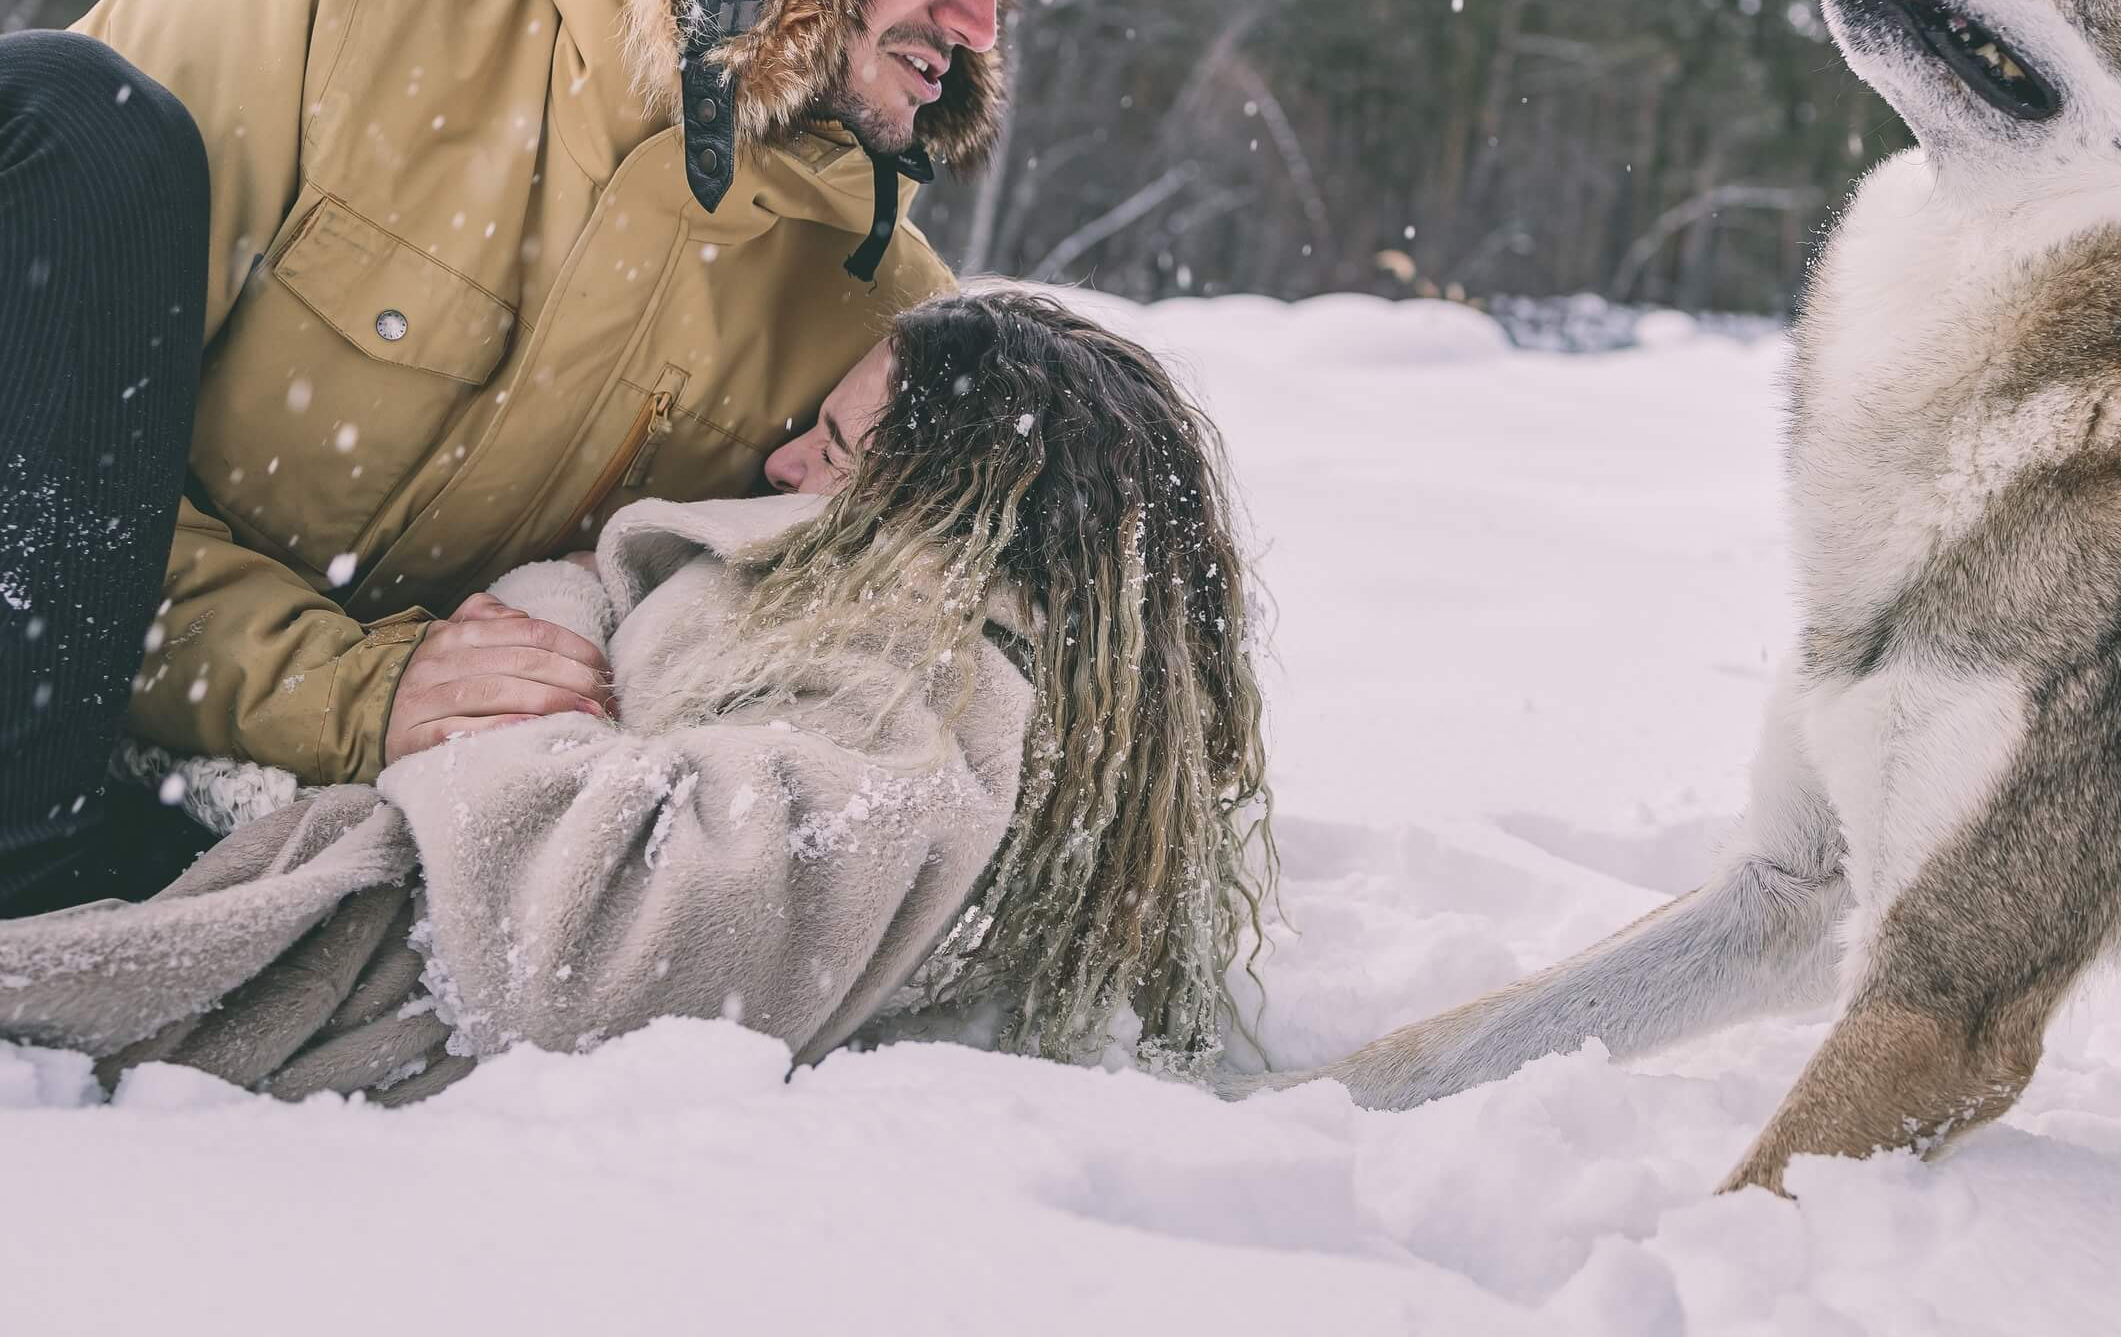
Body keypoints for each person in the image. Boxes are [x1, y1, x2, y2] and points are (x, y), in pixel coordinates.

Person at [0, 0, 1152, 914]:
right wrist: (343, 684)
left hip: (288, 840)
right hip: (41, 722)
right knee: (61, 113)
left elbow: (957, 674)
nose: (980, 14)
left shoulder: (868, 313)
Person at [0, 290, 1276, 1091]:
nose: (780, 460)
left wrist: (548, 644)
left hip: (291, 970)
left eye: (831, 446)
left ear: (946, 507)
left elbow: (595, 943)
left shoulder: (913, 695)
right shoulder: (915, 648)